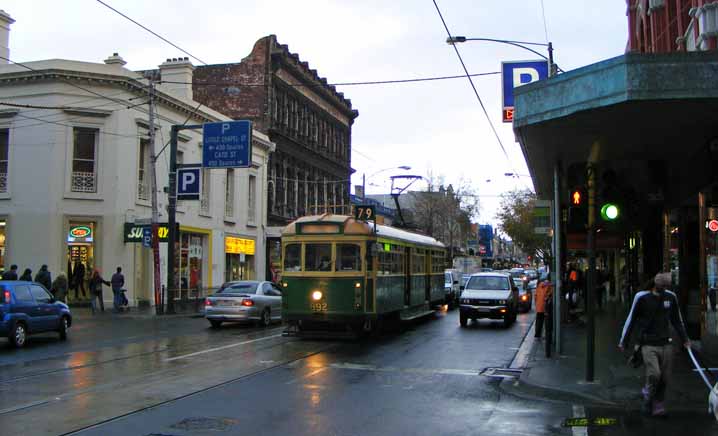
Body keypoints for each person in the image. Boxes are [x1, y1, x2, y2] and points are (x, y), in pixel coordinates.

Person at [618, 272, 691, 417]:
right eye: (662, 286)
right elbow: (631, 319)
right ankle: (648, 398)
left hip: (666, 343)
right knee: (654, 374)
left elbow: (677, 320)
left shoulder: (671, 297)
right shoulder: (642, 297)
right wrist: (623, 341)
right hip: (648, 343)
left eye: (666, 286)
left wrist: (685, 339)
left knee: (665, 377)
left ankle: (658, 404)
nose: (664, 289)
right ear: (655, 284)